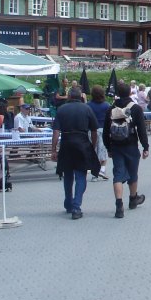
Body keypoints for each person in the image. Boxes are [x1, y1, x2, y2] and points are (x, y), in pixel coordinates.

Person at [50, 86, 100, 220]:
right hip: (82, 143)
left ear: (70, 97)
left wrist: (53, 150)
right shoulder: (87, 108)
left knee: (68, 175)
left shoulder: (61, 109)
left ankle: (68, 202)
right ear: (81, 97)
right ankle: (76, 207)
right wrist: (92, 146)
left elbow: (56, 132)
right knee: (80, 176)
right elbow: (94, 131)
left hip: (66, 143)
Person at [103, 81, 149, 219]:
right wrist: (146, 147)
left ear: (117, 94)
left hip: (116, 147)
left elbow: (106, 132)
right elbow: (141, 130)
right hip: (131, 145)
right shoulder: (135, 108)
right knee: (133, 173)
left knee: (118, 176)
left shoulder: (111, 109)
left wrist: (108, 148)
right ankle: (133, 199)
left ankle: (119, 205)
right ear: (130, 92)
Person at [86, 85, 110, 180]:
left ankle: (94, 173)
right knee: (103, 151)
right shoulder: (106, 105)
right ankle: (102, 169)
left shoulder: (88, 105)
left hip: (91, 130)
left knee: (93, 151)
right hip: (103, 129)